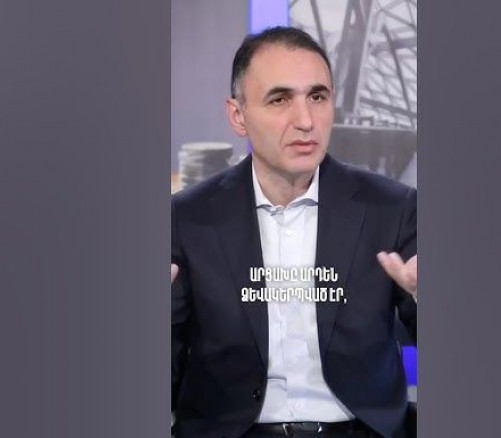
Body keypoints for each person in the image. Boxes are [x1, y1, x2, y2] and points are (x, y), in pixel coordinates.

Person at [171, 26, 417, 438]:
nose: (305, 121)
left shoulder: (392, 207)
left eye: (317, 97)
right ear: (237, 116)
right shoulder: (186, 218)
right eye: (280, 99)